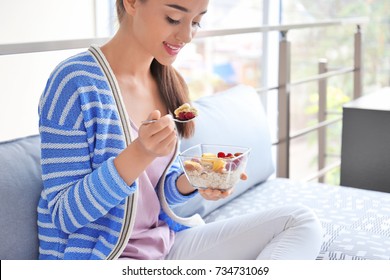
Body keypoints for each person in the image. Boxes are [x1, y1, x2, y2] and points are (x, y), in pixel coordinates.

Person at [37, 0, 323, 260]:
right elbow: (64, 214)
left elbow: (158, 194)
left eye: (196, 22)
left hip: (165, 247)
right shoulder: (75, 82)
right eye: (174, 18)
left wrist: (196, 179)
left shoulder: (165, 80)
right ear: (132, 3)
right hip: (103, 258)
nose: (186, 36)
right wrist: (140, 152)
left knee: (300, 222)